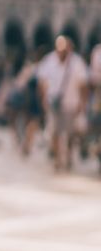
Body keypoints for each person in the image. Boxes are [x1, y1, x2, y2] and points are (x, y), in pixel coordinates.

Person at [37, 35, 88, 171]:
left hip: (71, 102)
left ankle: (69, 157)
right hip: (54, 102)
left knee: (70, 133)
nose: (61, 51)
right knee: (55, 131)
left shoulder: (77, 62)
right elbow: (42, 80)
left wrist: (82, 103)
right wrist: (43, 98)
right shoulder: (49, 60)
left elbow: (83, 85)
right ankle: (58, 159)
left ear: (69, 48)